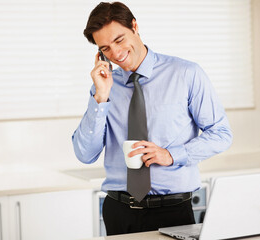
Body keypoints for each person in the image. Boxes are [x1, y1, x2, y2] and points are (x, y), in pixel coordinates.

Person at [72, 1, 233, 236]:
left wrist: (171, 155)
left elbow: (221, 134)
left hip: (173, 211)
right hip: (119, 211)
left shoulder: (186, 74)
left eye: (119, 40)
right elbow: (85, 154)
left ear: (135, 26)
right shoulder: (104, 87)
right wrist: (101, 97)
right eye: (105, 48)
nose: (115, 53)